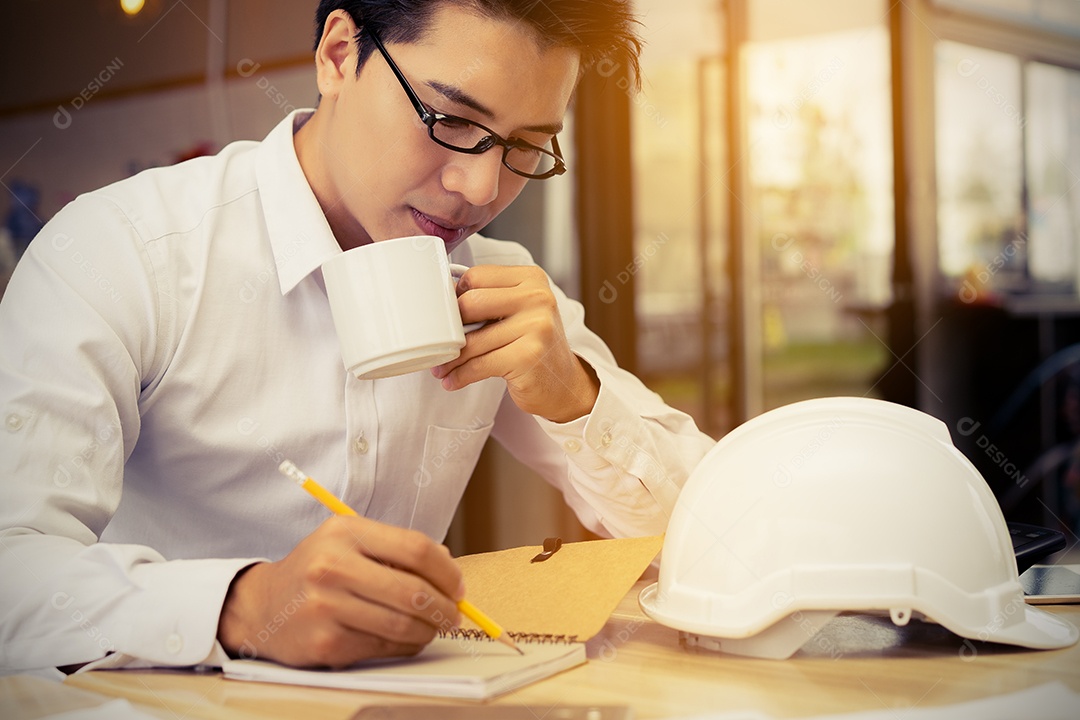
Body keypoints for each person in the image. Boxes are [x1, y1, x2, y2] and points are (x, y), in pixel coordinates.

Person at [0, 0, 714, 676]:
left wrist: (576, 401)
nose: (480, 187)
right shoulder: (128, 250)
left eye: (526, 146)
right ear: (339, 54)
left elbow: (722, 530)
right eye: (451, 120)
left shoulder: (500, 287)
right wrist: (239, 608)